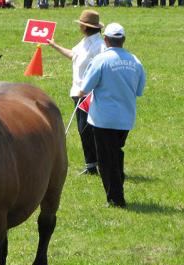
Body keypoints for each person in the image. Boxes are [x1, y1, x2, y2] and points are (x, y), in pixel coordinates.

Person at [78, 23, 146, 208]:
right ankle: (117, 187)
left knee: (106, 161)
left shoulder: (100, 60)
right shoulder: (135, 61)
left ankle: (116, 199)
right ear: (123, 40)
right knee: (115, 153)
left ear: (106, 40)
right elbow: (139, 90)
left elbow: (85, 88)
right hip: (125, 119)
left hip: (103, 119)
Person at [48, 10, 105, 175]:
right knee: (83, 129)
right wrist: (54, 45)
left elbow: (102, 68)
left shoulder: (99, 46)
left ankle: (98, 164)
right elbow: (74, 55)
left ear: (85, 27)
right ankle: (91, 164)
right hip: (78, 92)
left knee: (89, 129)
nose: (80, 26)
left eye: (81, 24)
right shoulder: (85, 42)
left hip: (89, 93)